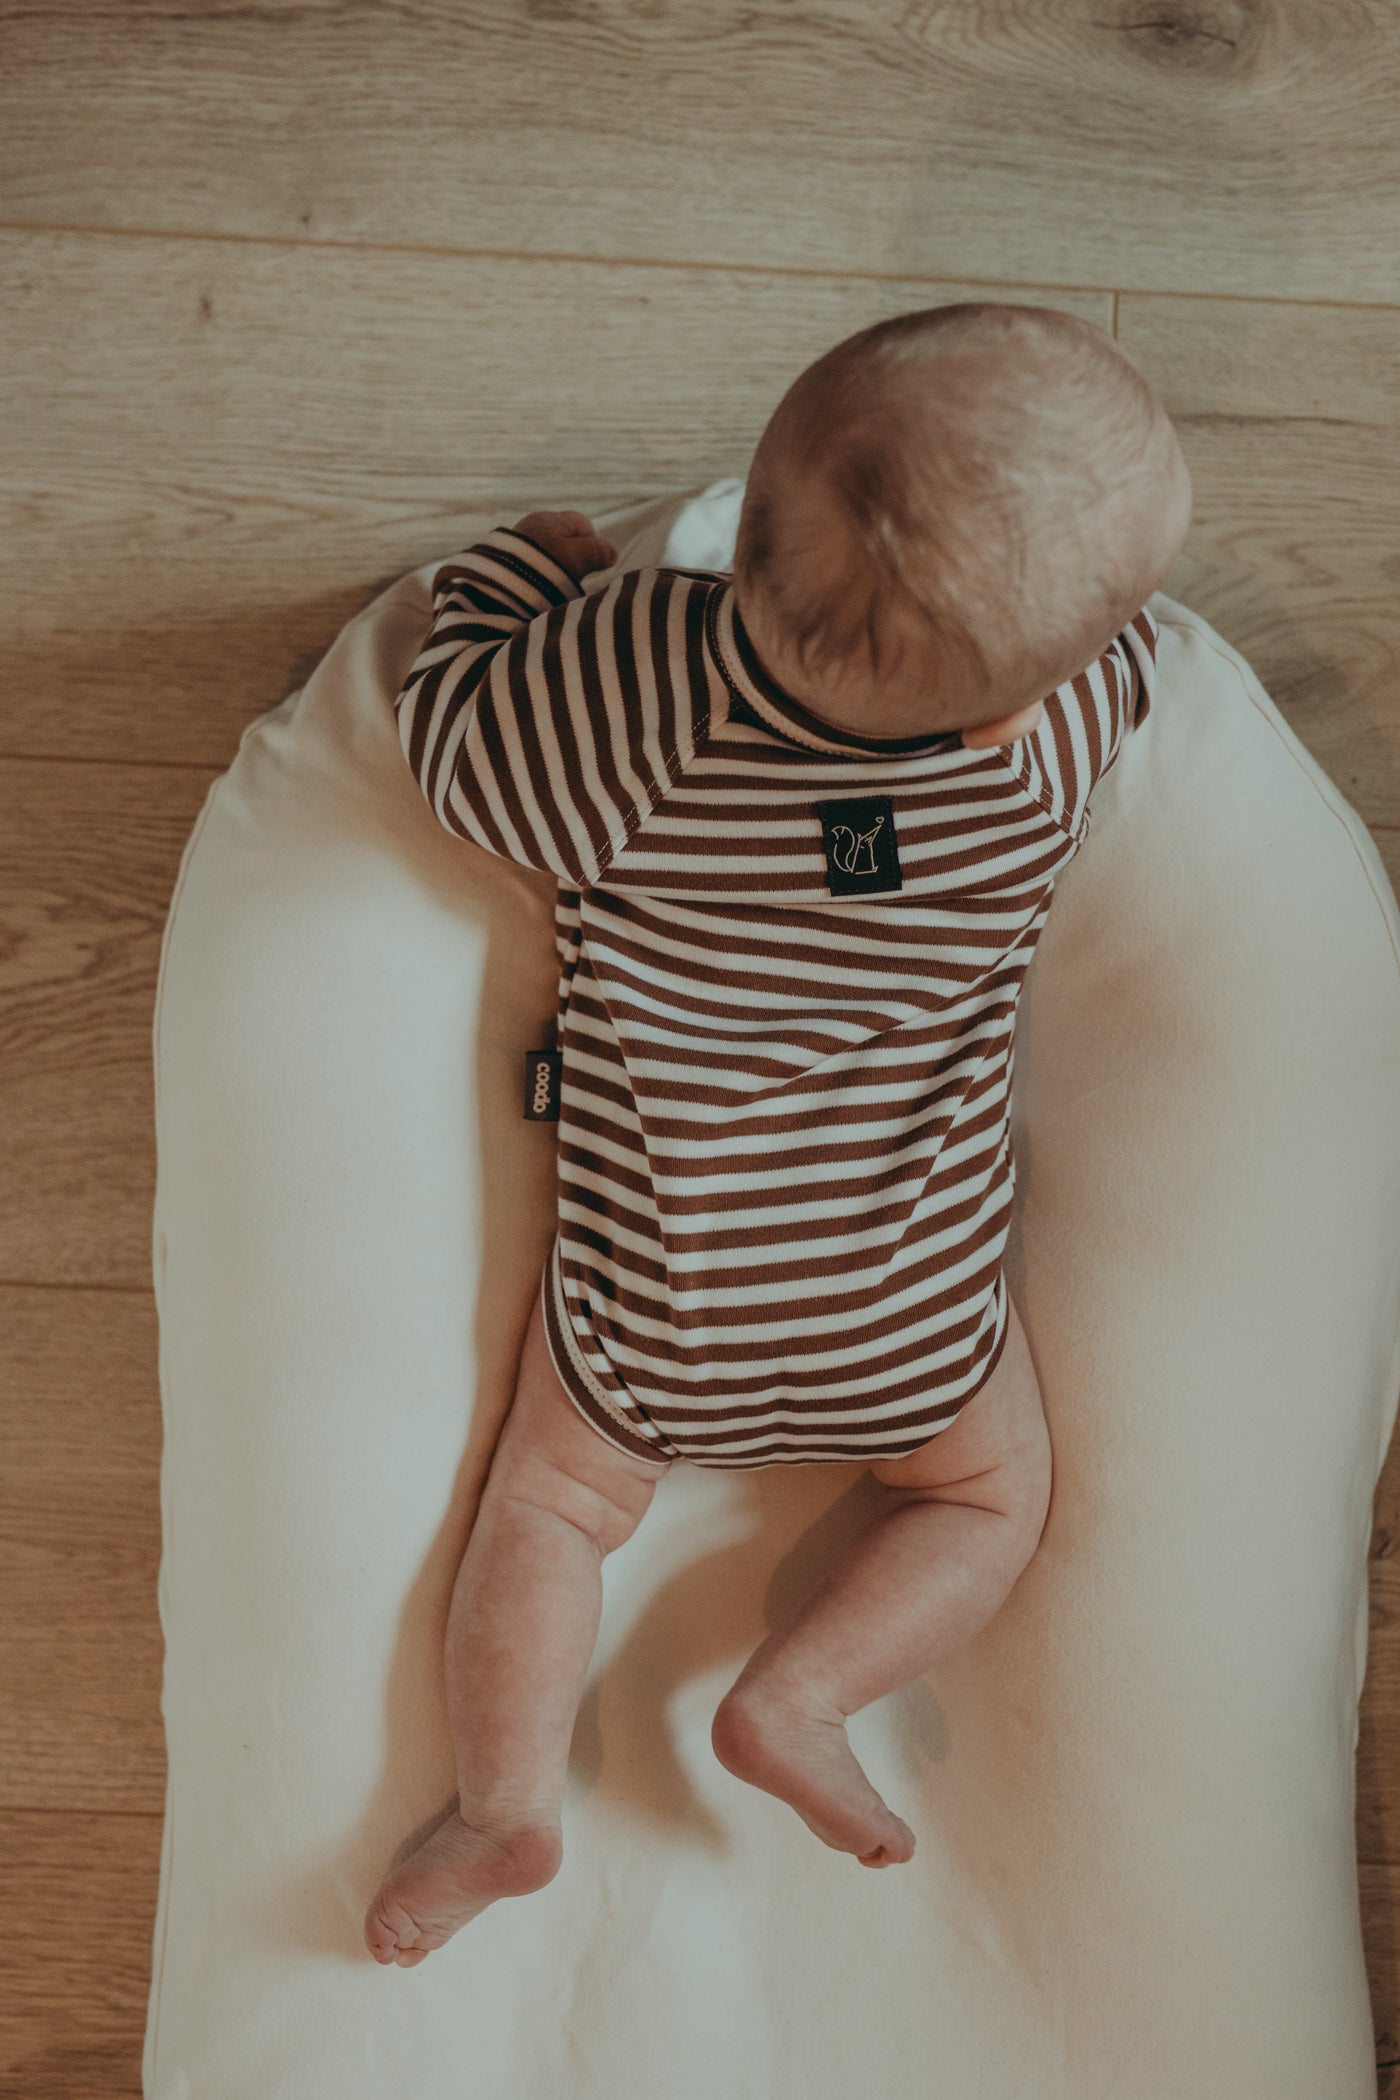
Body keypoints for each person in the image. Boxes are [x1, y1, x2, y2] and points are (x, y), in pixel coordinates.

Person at [364, 301, 1194, 1966]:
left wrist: (514, 585)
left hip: (664, 1313)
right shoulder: (1045, 757)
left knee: (551, 1511)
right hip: (913, 1316)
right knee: (988, 1502)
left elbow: (452, 741)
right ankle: (804, 1691)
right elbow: (1134, 653)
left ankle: (505, 1801)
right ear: (1029, 698)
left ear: (741, 536)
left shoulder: (629, 698)